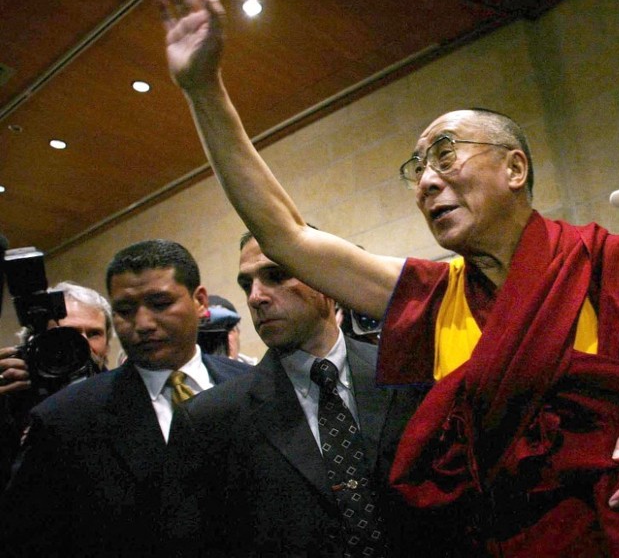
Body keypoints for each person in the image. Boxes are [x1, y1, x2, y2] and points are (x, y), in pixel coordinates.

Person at [156, 0, 619, 555]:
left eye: (444, 156)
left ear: (514, 167)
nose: (425, 181)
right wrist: (204, 89)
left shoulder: (603, 261)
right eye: (416, 169)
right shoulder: (435, 292)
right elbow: (286, 236)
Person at [0, 239, 249, 556]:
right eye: (125, 310)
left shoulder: (253, 386)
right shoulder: (65, 419)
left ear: (200, 301)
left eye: (160, 303)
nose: (143, 324)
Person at [163, 233, 392, 556]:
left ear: (326, 279)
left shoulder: (404, 375)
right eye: (246, 284)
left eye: (276, 275)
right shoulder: (208, 421)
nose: (256, 297)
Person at [0, 281, 114, 488]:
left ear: (107, 344)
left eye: (94, 333)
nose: (83, 344)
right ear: (36, 343)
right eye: (71, 333)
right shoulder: (12, 396)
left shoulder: (124, 395)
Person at [206, 293, 258, 364]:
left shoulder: (259, 370)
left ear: (238, 332)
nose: (223, 338)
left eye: (228, 330)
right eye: (213, 334)